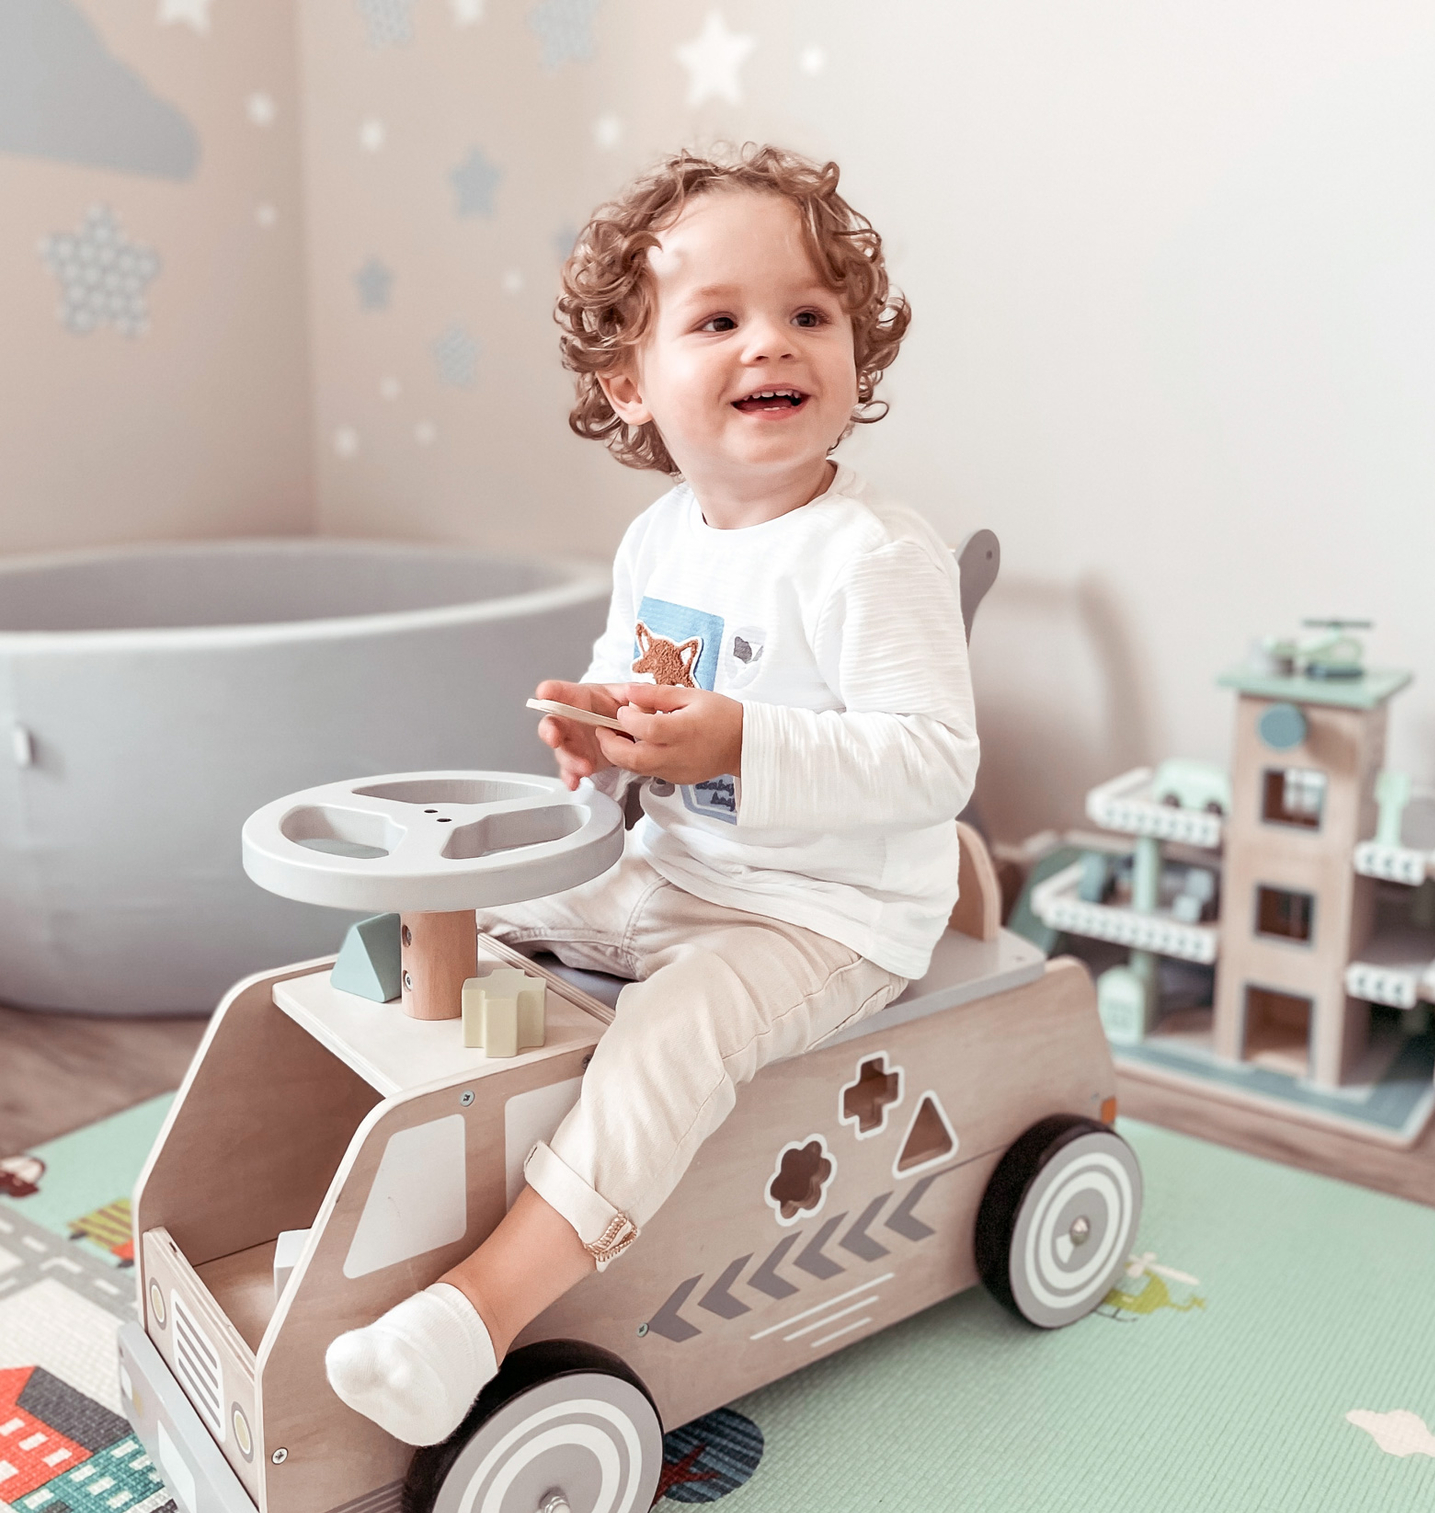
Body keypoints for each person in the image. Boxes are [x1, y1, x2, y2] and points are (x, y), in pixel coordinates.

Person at [326, 144, 979, 1446]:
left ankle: (474, 1314)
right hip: (668, 876)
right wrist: (596, 730)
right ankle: (359, 1209)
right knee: (468, 953)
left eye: (808, 314)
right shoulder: (657, 541)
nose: (770, 344)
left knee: (672, 1031)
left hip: (824, 918)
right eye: (719, 319)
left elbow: (935, 764)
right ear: (631, 385)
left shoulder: (872, 554)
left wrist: (740, 743)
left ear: (857, 351)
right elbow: (644, 703)